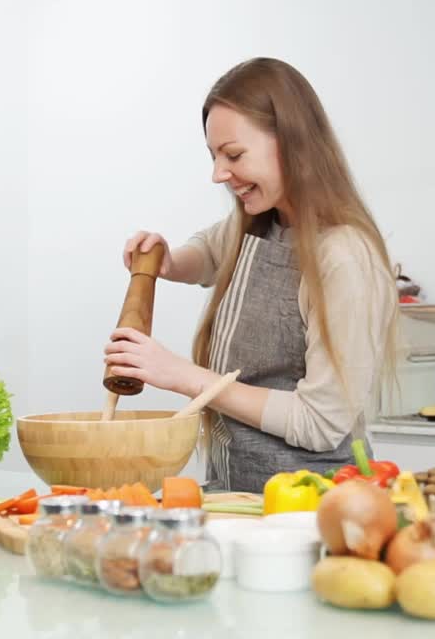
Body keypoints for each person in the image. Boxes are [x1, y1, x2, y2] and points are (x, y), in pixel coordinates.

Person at [103, 57, 398, 493]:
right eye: (214, 156)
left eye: (234, 155)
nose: (219, 174)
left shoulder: (345, 258)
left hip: (315, 507)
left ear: (292, 143)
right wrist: (169, 261)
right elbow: (210, 250)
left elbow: (319, 423)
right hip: (238, 492)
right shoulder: (265, 222)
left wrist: (183, 376)